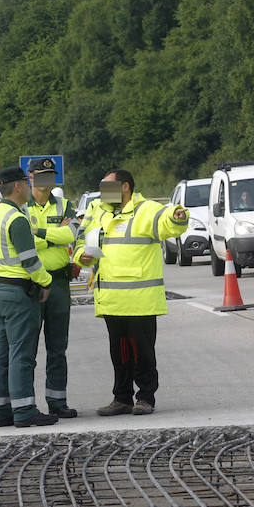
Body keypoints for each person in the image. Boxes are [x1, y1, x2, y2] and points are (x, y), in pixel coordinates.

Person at [74, 169, 189, 416]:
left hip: (140, 300)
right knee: (119, 353)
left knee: (143, 352)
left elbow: (168, 220)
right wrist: (80, 256)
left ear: (125, 187)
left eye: (107, 187)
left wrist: (179, 217)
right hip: (112, 300)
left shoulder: (145, 210)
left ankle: (145, 397)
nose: (102, 192)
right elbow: (83, 242)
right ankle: (122, 398)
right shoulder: (101, 212)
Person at [0, 167, 57, 428]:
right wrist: (47, 282)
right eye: (26, 183)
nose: (29, 187)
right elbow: (29, 260)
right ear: (17, 186)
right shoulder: (17, 218)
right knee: (22, 353)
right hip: (18, 293)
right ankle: (25, 410)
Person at [26, 158, 79, 419]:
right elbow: (22, 243)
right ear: (30, 176)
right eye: (42, 175)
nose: (47, 180)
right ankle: (26, 405)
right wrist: (52, 235)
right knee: (27, 349)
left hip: (58, 283)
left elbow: (71, 236)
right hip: (31, 284)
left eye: (51, 175)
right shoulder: (20, 206)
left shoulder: (64, 204)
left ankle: (58, 402)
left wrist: (39, 233)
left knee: (58, 348)